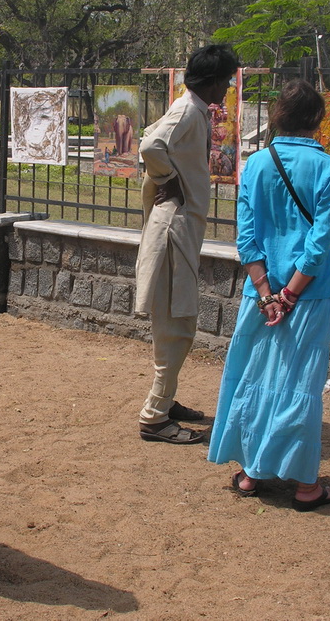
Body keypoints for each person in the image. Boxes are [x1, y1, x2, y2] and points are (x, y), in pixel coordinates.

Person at [207, 78, 330, 510]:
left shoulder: (256, 165)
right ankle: (305, 486)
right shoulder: (329, 168)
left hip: (260, 295)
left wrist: (268, 293)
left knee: (255, 378)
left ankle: (251, 472)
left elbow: (246, 237)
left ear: (276, 117)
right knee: (300, 385)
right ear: (317, 119)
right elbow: (318, 244)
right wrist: (290, 295)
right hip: (310, 295)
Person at [135, 44, 240, 444]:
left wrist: (168, 178)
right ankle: (154, 417)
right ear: (211, 81)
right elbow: (149, 146)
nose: (227, 88)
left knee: (174, 324)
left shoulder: (191, 109)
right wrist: (167, 180)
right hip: (173, 232)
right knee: (178, 326)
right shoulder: (188, 111)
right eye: (226, 81)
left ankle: (166, 400)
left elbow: (152, 138)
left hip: (177, 229)